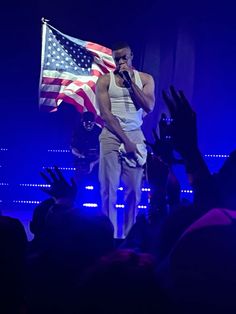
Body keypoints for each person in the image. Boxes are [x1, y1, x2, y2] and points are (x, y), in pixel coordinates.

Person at [96, 42, 155, 239]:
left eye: (124, 58)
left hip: (135, 133)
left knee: (133, 191)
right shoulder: (105, 81)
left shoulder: (145, 79)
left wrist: (130, 83)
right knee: (108, 189)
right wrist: (125, 141)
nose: (121, 61)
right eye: (117, 58)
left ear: (131, 57)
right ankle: (108, 237)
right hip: (111, 134)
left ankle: (128, 238)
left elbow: (148, 106)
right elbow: (106, 114)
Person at [70, 111, 101, 193]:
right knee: (78, 183)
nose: (88, 125)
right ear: (82, 122)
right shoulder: (78, 130)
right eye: (86, 123)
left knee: (100, 182)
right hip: (82, 160)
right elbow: (73, 148)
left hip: (97, 161)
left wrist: (94, 162)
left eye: (91, 123)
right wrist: (80, 155)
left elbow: (105, 153)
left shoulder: (99, 131)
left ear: (94, 122)